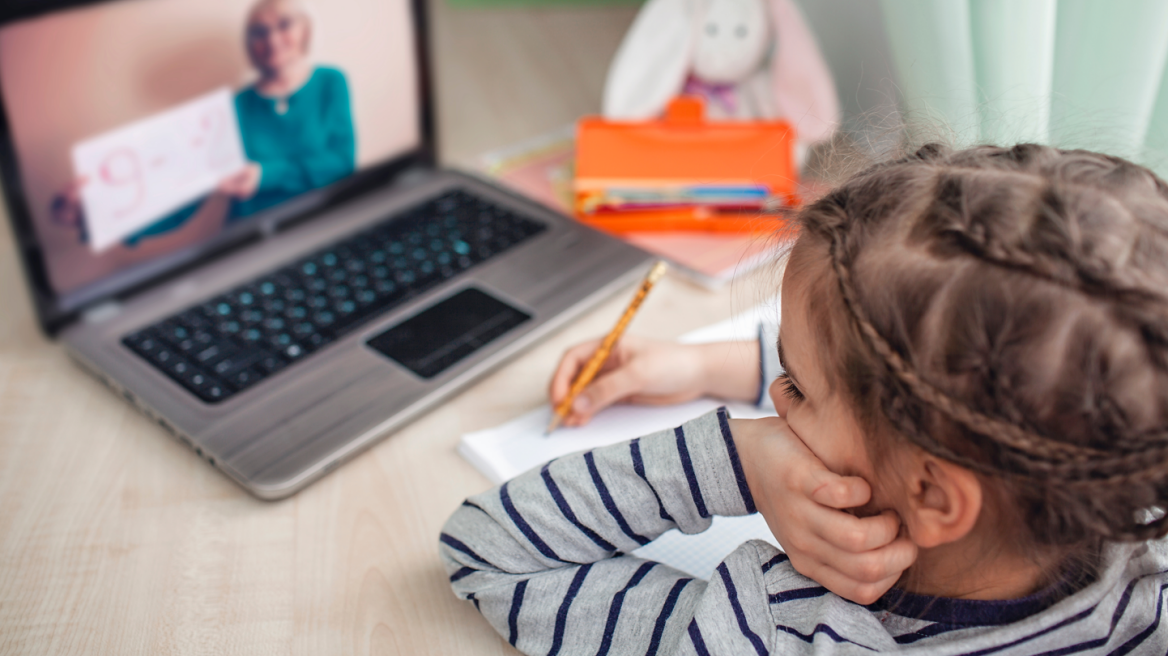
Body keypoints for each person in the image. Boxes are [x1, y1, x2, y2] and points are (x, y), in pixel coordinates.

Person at [439, 143, 1168, 653]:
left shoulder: (776, 631)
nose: (775, 403)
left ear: (934, 496)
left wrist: (735, 459)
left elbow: (489, 553)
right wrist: (711, 366)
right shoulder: (1136, 554)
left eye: (795, 386)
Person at [52, 0, 355, 248]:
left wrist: (265, 175)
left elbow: (342, 163)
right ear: (250, 45)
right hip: (254, 244)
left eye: (284, 25)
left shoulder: (331, 82)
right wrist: (99, 215)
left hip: (325, 229)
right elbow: (185, 195)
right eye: (259, 32)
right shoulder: (232, 109)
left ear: (304, 30)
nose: (273, 39)